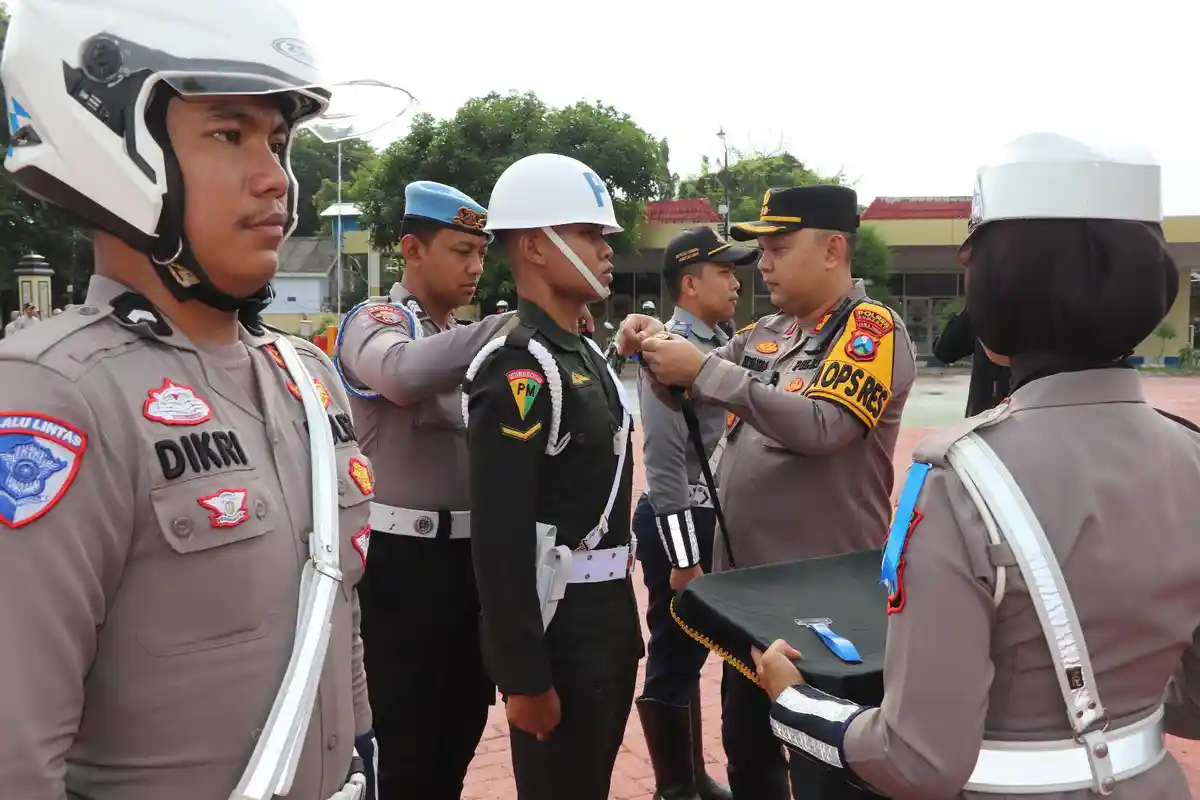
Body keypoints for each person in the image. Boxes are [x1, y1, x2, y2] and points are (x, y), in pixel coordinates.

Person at [0, 2, 382, 798]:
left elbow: (337, 616)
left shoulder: (305, 376)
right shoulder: (55, 396)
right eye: (228, 133)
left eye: (279, 141)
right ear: (110, 143)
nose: (277, 176)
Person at [753, 132, 1200, 799]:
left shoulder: (958, 482)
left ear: (999, 288)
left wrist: (793, 703)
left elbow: (915, 760)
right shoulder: (1190, 454)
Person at [621, 184, 917, 799]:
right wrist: (651, 344)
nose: (765, 264)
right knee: (750, 755)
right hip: (752, 598)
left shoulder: (870, 330)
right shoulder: (766, 333)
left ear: (834, 249)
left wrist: (705, 371)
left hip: (832, 606)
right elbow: (687, 383)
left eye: (779, 248)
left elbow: (823, 426)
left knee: (834, 767)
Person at [464, 153, 643, 800]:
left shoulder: (582, 353)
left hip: (606, 627)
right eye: (589, 234)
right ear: (536, 247)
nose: (604, 249)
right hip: (559, 633)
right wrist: (522, 676)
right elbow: (500, 533)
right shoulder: (520, 365)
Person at [333, 180, 516, 799]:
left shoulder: (462, 337)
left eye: (481, 254)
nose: (475, 266)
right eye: (461, 251)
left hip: (465, 564)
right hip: (400, 566)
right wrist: (514, 324)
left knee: (459, 728)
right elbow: (402, 374)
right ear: (413, 250)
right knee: (402, 741)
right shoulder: (376, 321)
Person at [633, 226, 753, 800]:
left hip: (715, 519)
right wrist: (683, 559)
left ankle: (695, 778)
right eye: (724, 272)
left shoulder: (721, 339)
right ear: (689, 283)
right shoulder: (665, 353)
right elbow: (662, 470)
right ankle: (675, 787)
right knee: (676, 649)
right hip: (681, 521)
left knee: (704, 649)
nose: (736, 282)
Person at [932, 304, 1011, 415]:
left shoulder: (987, 301)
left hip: (997, 412)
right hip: (987, 416)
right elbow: (944, 350)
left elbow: (943, 351)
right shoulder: (984, 304)